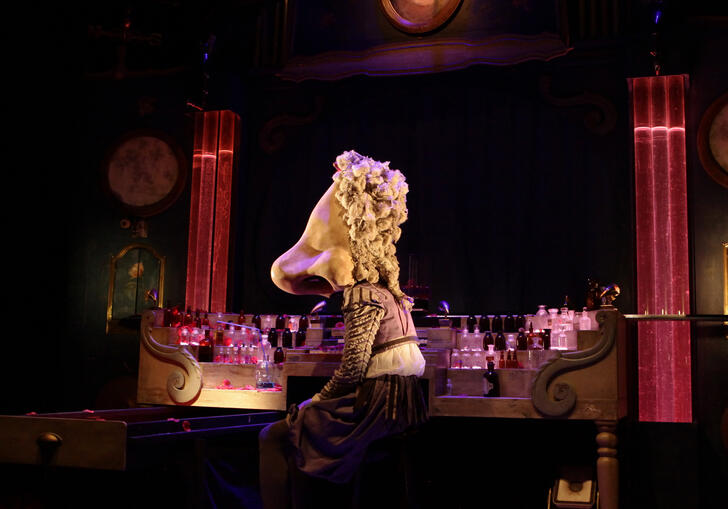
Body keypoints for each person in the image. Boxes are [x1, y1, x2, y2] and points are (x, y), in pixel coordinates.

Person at [261, 150, 428, 509]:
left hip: (377, 406)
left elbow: (353, 368)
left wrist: (317, 399)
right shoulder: (390, 293)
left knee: (279, 433)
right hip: (402, 403)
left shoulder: (363, 293)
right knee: (300, 424)